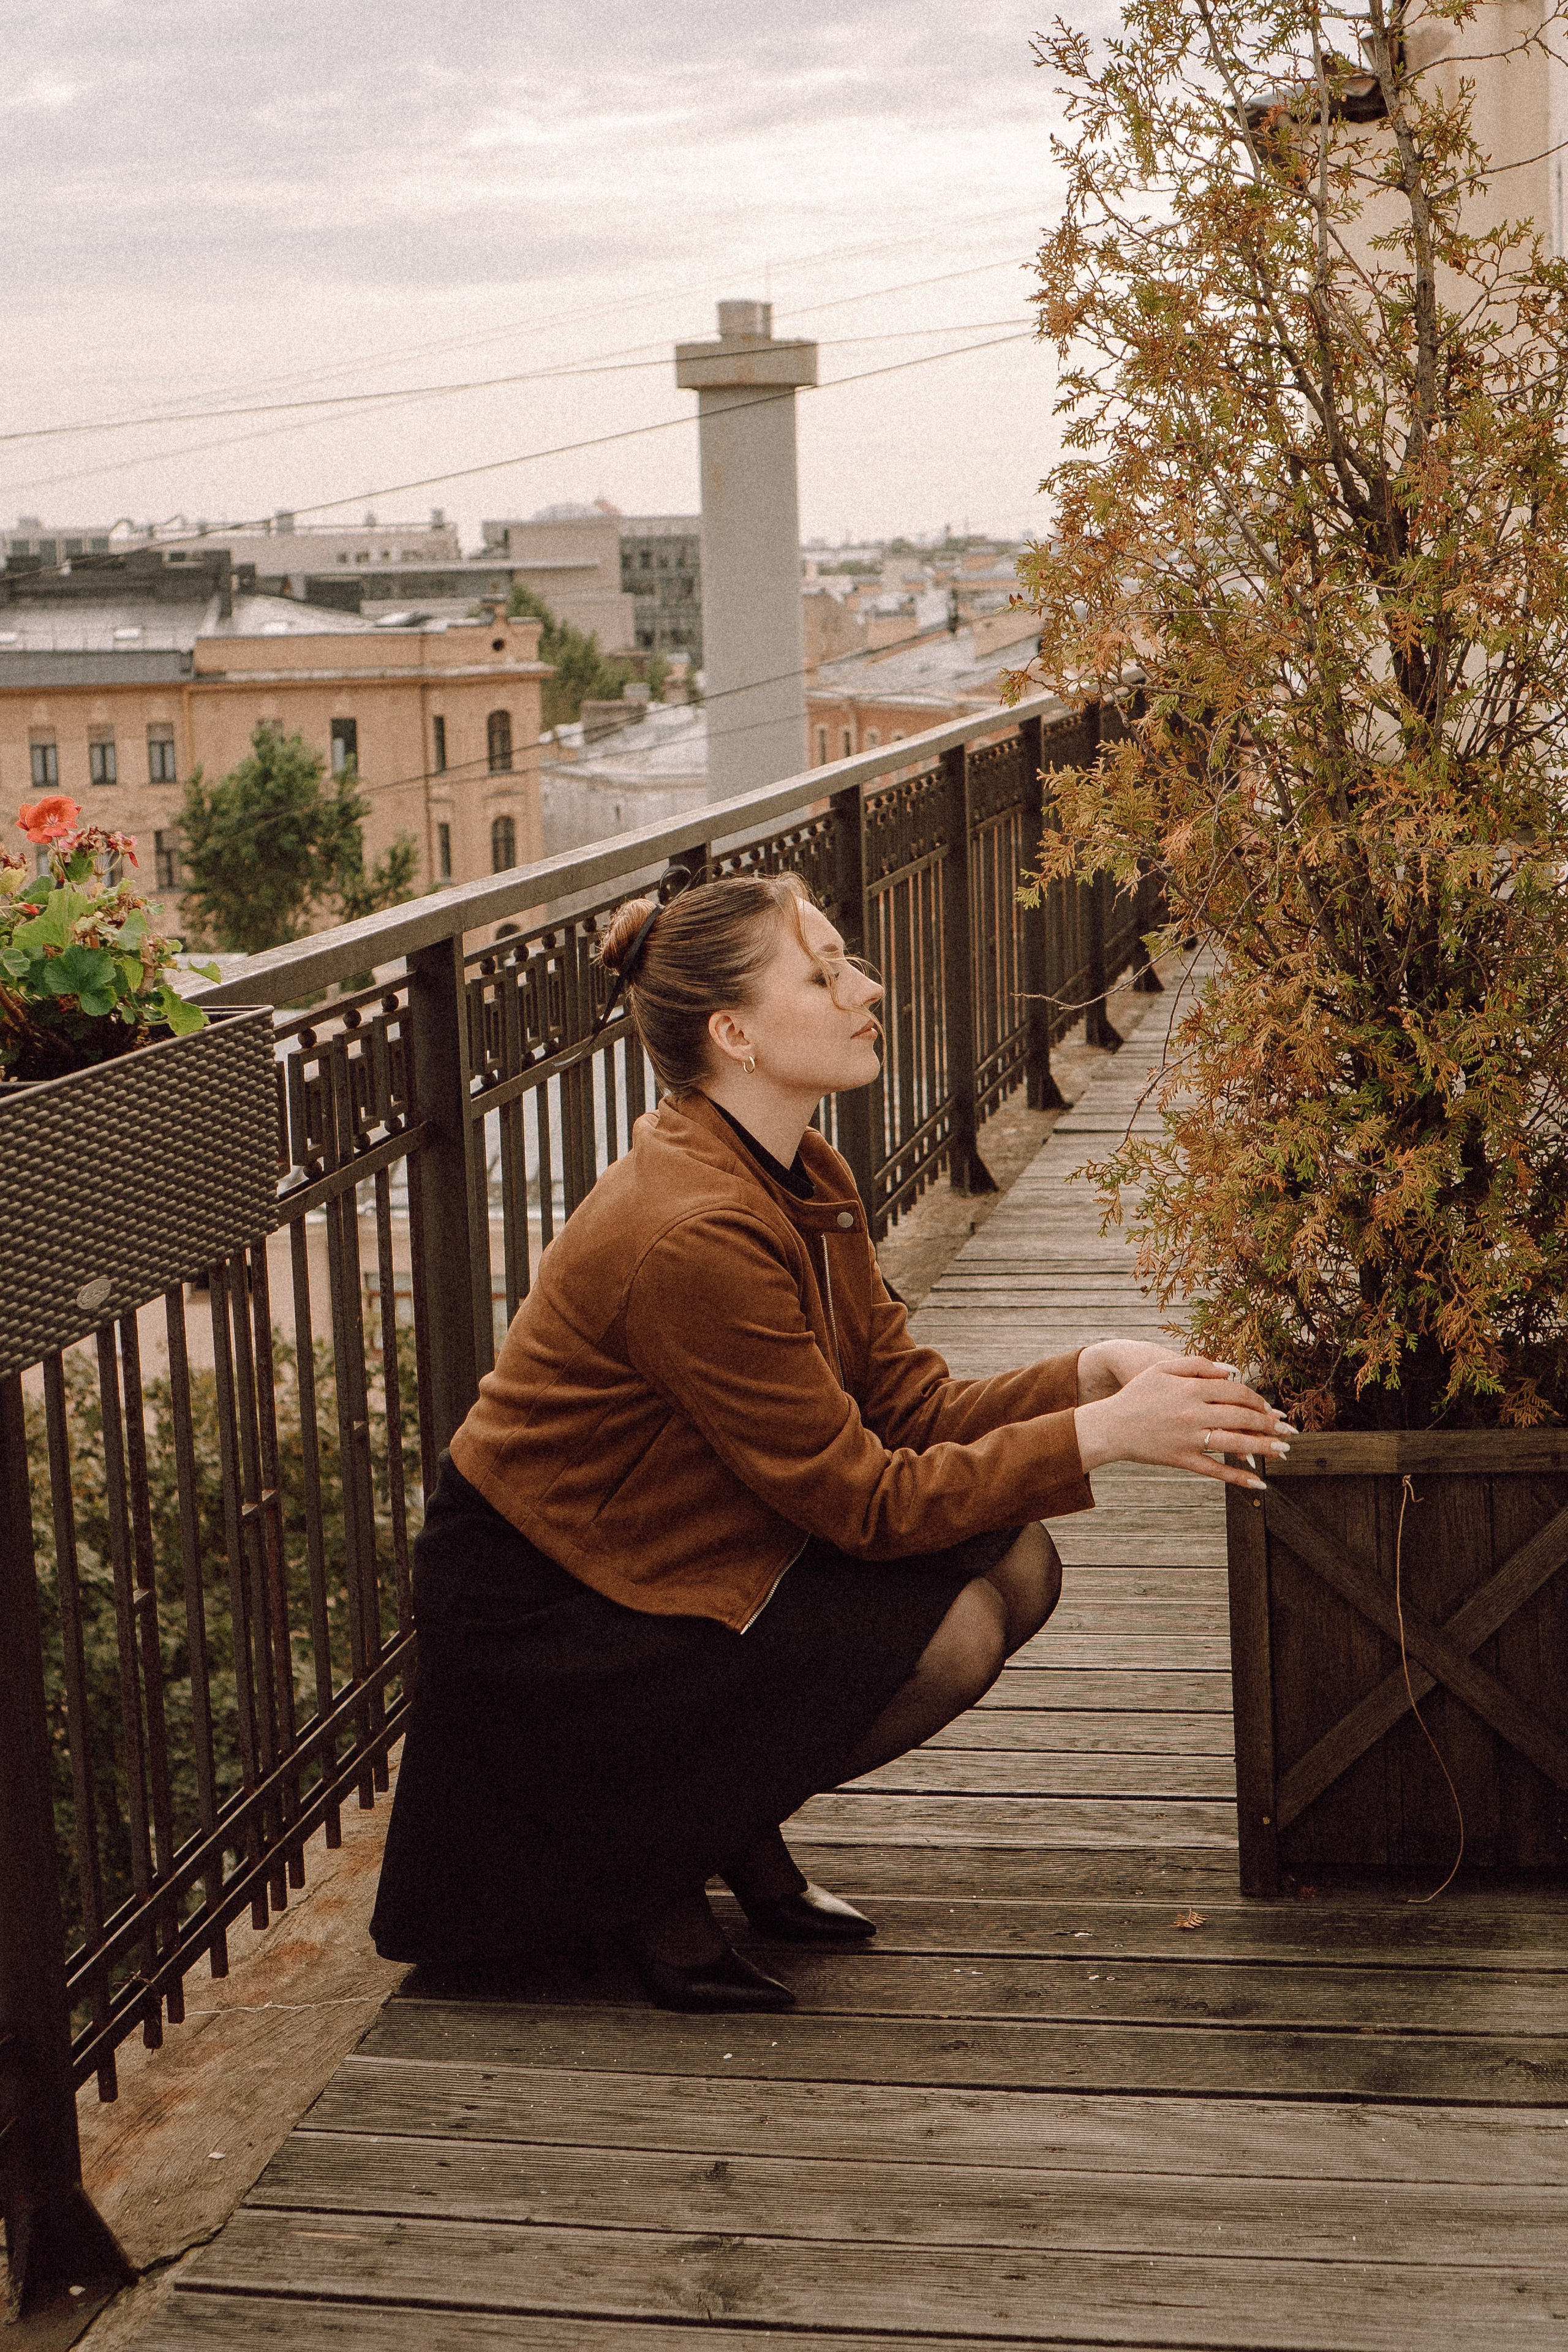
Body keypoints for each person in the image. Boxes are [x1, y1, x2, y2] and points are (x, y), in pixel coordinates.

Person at [369, 872, 1291, 2011]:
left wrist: (1093, 1367)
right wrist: (1102, 1434)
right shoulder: (693, 1229)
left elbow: (905, 1412)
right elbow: (867, 1504)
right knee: (955, 1630)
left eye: (846, 960)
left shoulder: (804, 1170)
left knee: (1015, 1559)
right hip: (552, 1602)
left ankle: (722, 1826)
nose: (866, 987)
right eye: (823, 972)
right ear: (734, 1034)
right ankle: (652, 1866)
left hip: (668, 1544)